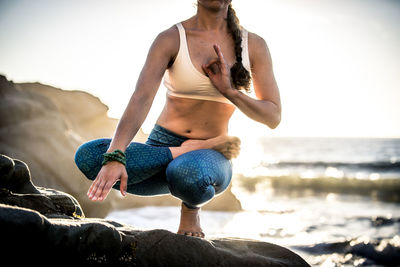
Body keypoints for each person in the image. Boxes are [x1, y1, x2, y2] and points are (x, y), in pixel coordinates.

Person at [74, 0, 281, 238]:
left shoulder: (253, 45)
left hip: (211, 156)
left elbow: (272, 116)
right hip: (161, 146)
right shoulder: (171, 38)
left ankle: (190, 209)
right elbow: (141, 98)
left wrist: (230, 91)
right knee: (89, 156)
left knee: (186, 174)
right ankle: (183, 152)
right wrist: (116, 155)